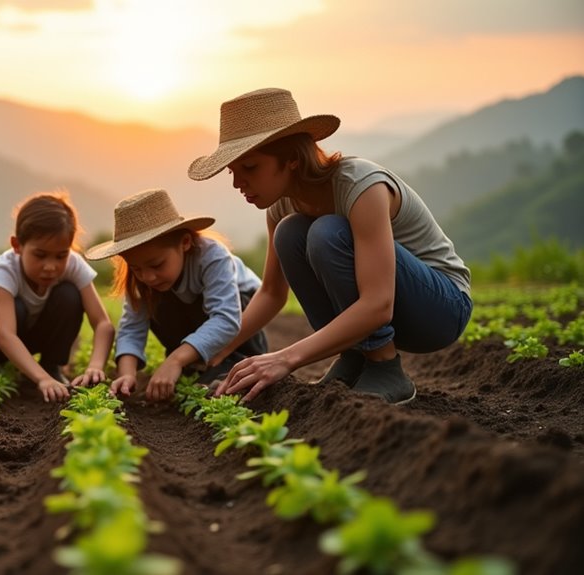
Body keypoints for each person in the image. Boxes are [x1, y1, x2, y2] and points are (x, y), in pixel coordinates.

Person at [188, 88, 472, 404]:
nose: (237, 182)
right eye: (233, 171)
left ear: (292, 159)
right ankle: (354, 356)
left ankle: (384, 364)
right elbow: (271, 293)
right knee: (290, 233)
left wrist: (285, 358)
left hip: (440, 309)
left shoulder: (360, 186)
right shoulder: (281, 208)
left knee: (327, 233)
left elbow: (379, 304)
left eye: (250, 168)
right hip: (388, 310)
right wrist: (213, 352)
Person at [85, 189, 267, 402]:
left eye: (156, 265)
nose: (148, 277)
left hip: (242, 331)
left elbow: (226, 319)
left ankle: (232, 365)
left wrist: (175, 361)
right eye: (136, 268)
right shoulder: (142, 281)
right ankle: (194, 365)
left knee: (234, 307)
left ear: (185, 242)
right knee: (157, 302)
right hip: (193, 330)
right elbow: (132, 329)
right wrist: (126, 374)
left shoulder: (212, 256)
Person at [0, 191, 115, 402]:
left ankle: (52, 366)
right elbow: (5, 336)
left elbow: (103, 323)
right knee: (17, 306)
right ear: (17, 245)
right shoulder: (5, 269)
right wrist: (41, 380)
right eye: (40, 255)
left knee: (69, 295)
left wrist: (95, 366)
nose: (51, 267)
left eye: (61, 256)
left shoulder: (74, 264)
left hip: (40, 333)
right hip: (5, 339)